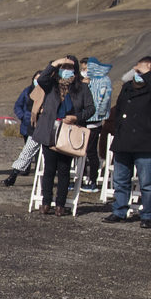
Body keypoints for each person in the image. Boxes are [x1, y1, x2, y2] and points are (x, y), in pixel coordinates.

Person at [31, 56, 95, 216]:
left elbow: (91, 108)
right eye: (63, 67)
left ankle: (60, 204)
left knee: (64, 170)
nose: (66, 71)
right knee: (49, 169)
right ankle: (46, 203)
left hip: (69, 132)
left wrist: (77, 117)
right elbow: (42, 79)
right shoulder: (51, 85)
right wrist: (54, 63)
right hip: (50, 131)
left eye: (69, 68)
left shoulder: (82, 88)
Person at [101, 56, 151, 228]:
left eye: (139, 70)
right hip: (123, 140)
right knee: (121, 179)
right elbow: (120, 108)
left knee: (146, 183)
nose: (135, 73)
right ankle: (119, 211)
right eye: (134, 70)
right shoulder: (127, 87)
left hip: (145, 142)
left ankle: (147, 215)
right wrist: (119, 129)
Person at [3, 71, 43, 186]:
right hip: (31, 126)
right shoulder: (29, 91)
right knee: (27, 150)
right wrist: (24, 116)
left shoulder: (51, 91)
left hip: (46, 127)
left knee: (41, 155)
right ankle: (15, 174)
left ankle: (39, 174)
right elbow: (22, 105)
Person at [80, 56, 113, 191]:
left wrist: (96, 115)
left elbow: (103, 102)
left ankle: (92, 181)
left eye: (86, 69)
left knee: (90, 152)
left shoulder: (103, 81)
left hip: (94, 121)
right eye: (82, 69)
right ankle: (80, 179)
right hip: (82, 120)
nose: (84, 71)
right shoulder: (83, 81)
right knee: (80, 152)